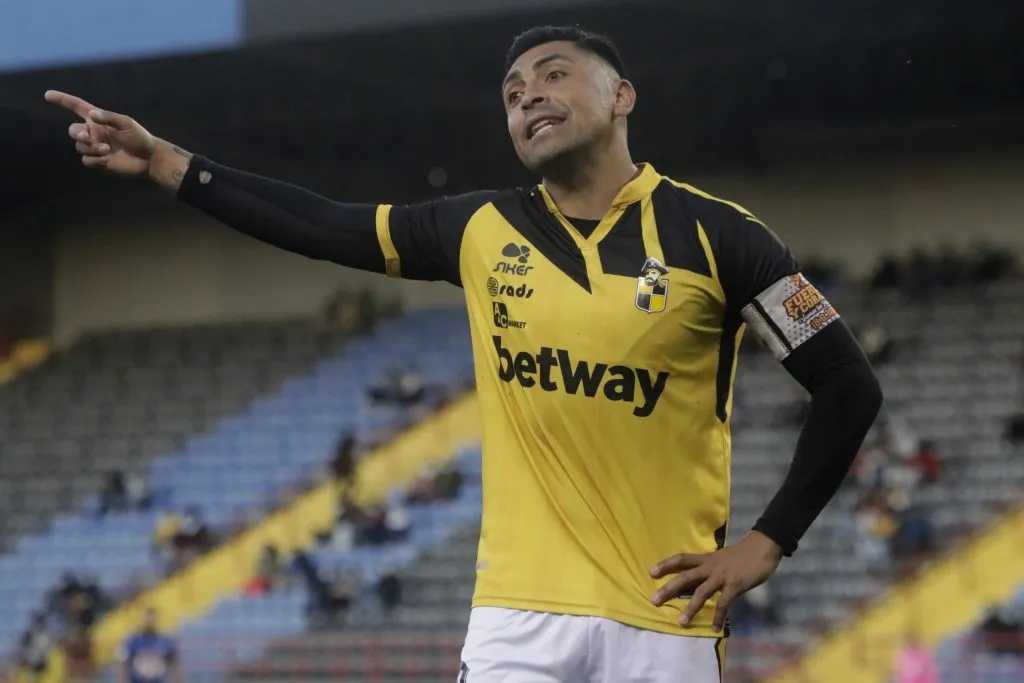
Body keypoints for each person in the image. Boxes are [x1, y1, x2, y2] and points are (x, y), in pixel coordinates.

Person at [45, 24, 882, 683]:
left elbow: (847, 384)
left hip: (666, 618)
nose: (528, 97)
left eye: (553, 74)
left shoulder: (722, 236)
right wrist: (167, 163)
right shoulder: (479, 228)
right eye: (513, 93)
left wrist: (768, 539)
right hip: (517, 616)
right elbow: (321, 224)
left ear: (622, 94)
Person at [117, 608, 181, 683]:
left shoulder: (167, 642)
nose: (150, 622)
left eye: (152, 619)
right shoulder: (132, 641)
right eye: (147, 619)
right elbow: (124, 666)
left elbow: (175, 665)